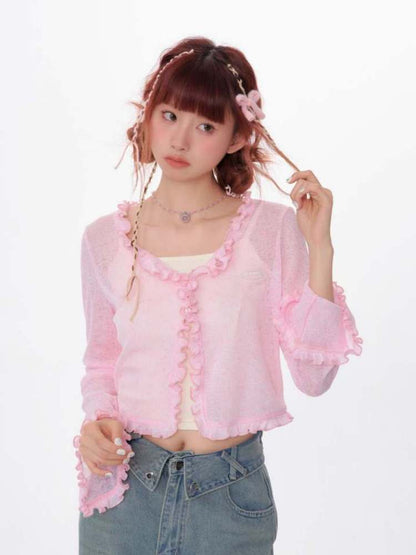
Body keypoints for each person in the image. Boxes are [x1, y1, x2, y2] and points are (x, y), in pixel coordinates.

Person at [74, 36, 363, 554]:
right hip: (126, 494)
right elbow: (102, 362)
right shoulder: (104, 240)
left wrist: (320, 248)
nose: (180, 139)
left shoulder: (271, 231)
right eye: (169, 116)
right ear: (148, 116)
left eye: (205, 125)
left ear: (237, 137)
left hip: (230, 499)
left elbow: (314, 378)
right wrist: (98, 422)